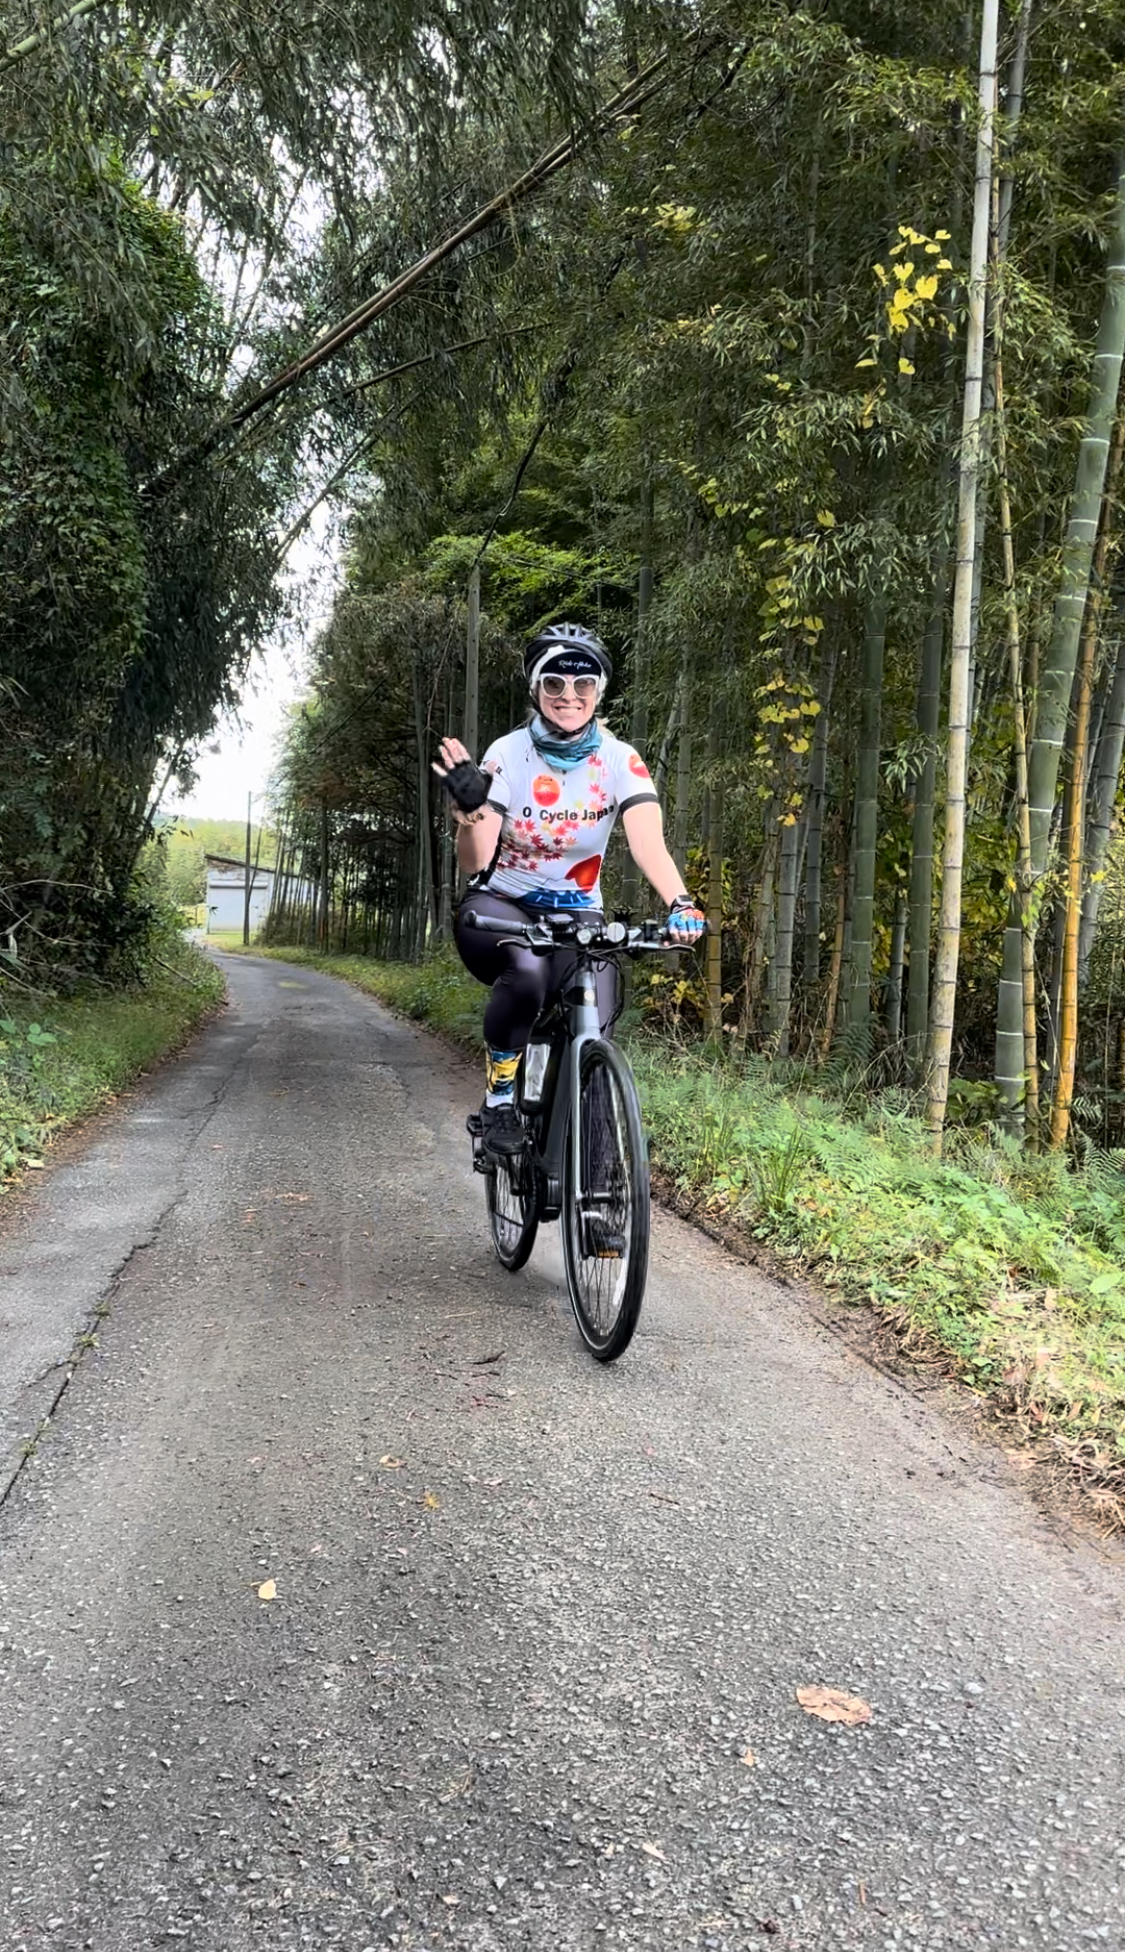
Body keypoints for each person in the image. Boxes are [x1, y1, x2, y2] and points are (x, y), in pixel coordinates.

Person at [433, 620, 705, 1156]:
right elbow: (478, 860)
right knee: (529, 974)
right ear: (535, 689)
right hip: (500, 907)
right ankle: (500, 1101)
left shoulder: (620, 759)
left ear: (599, 692)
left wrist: (681, 902)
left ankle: (604, 1217)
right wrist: (470, 812)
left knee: (596, 1033)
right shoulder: (508, 755)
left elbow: (650, 845)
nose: (569, 696)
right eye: (554, 682)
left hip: (579, 912)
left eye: (584, 685)